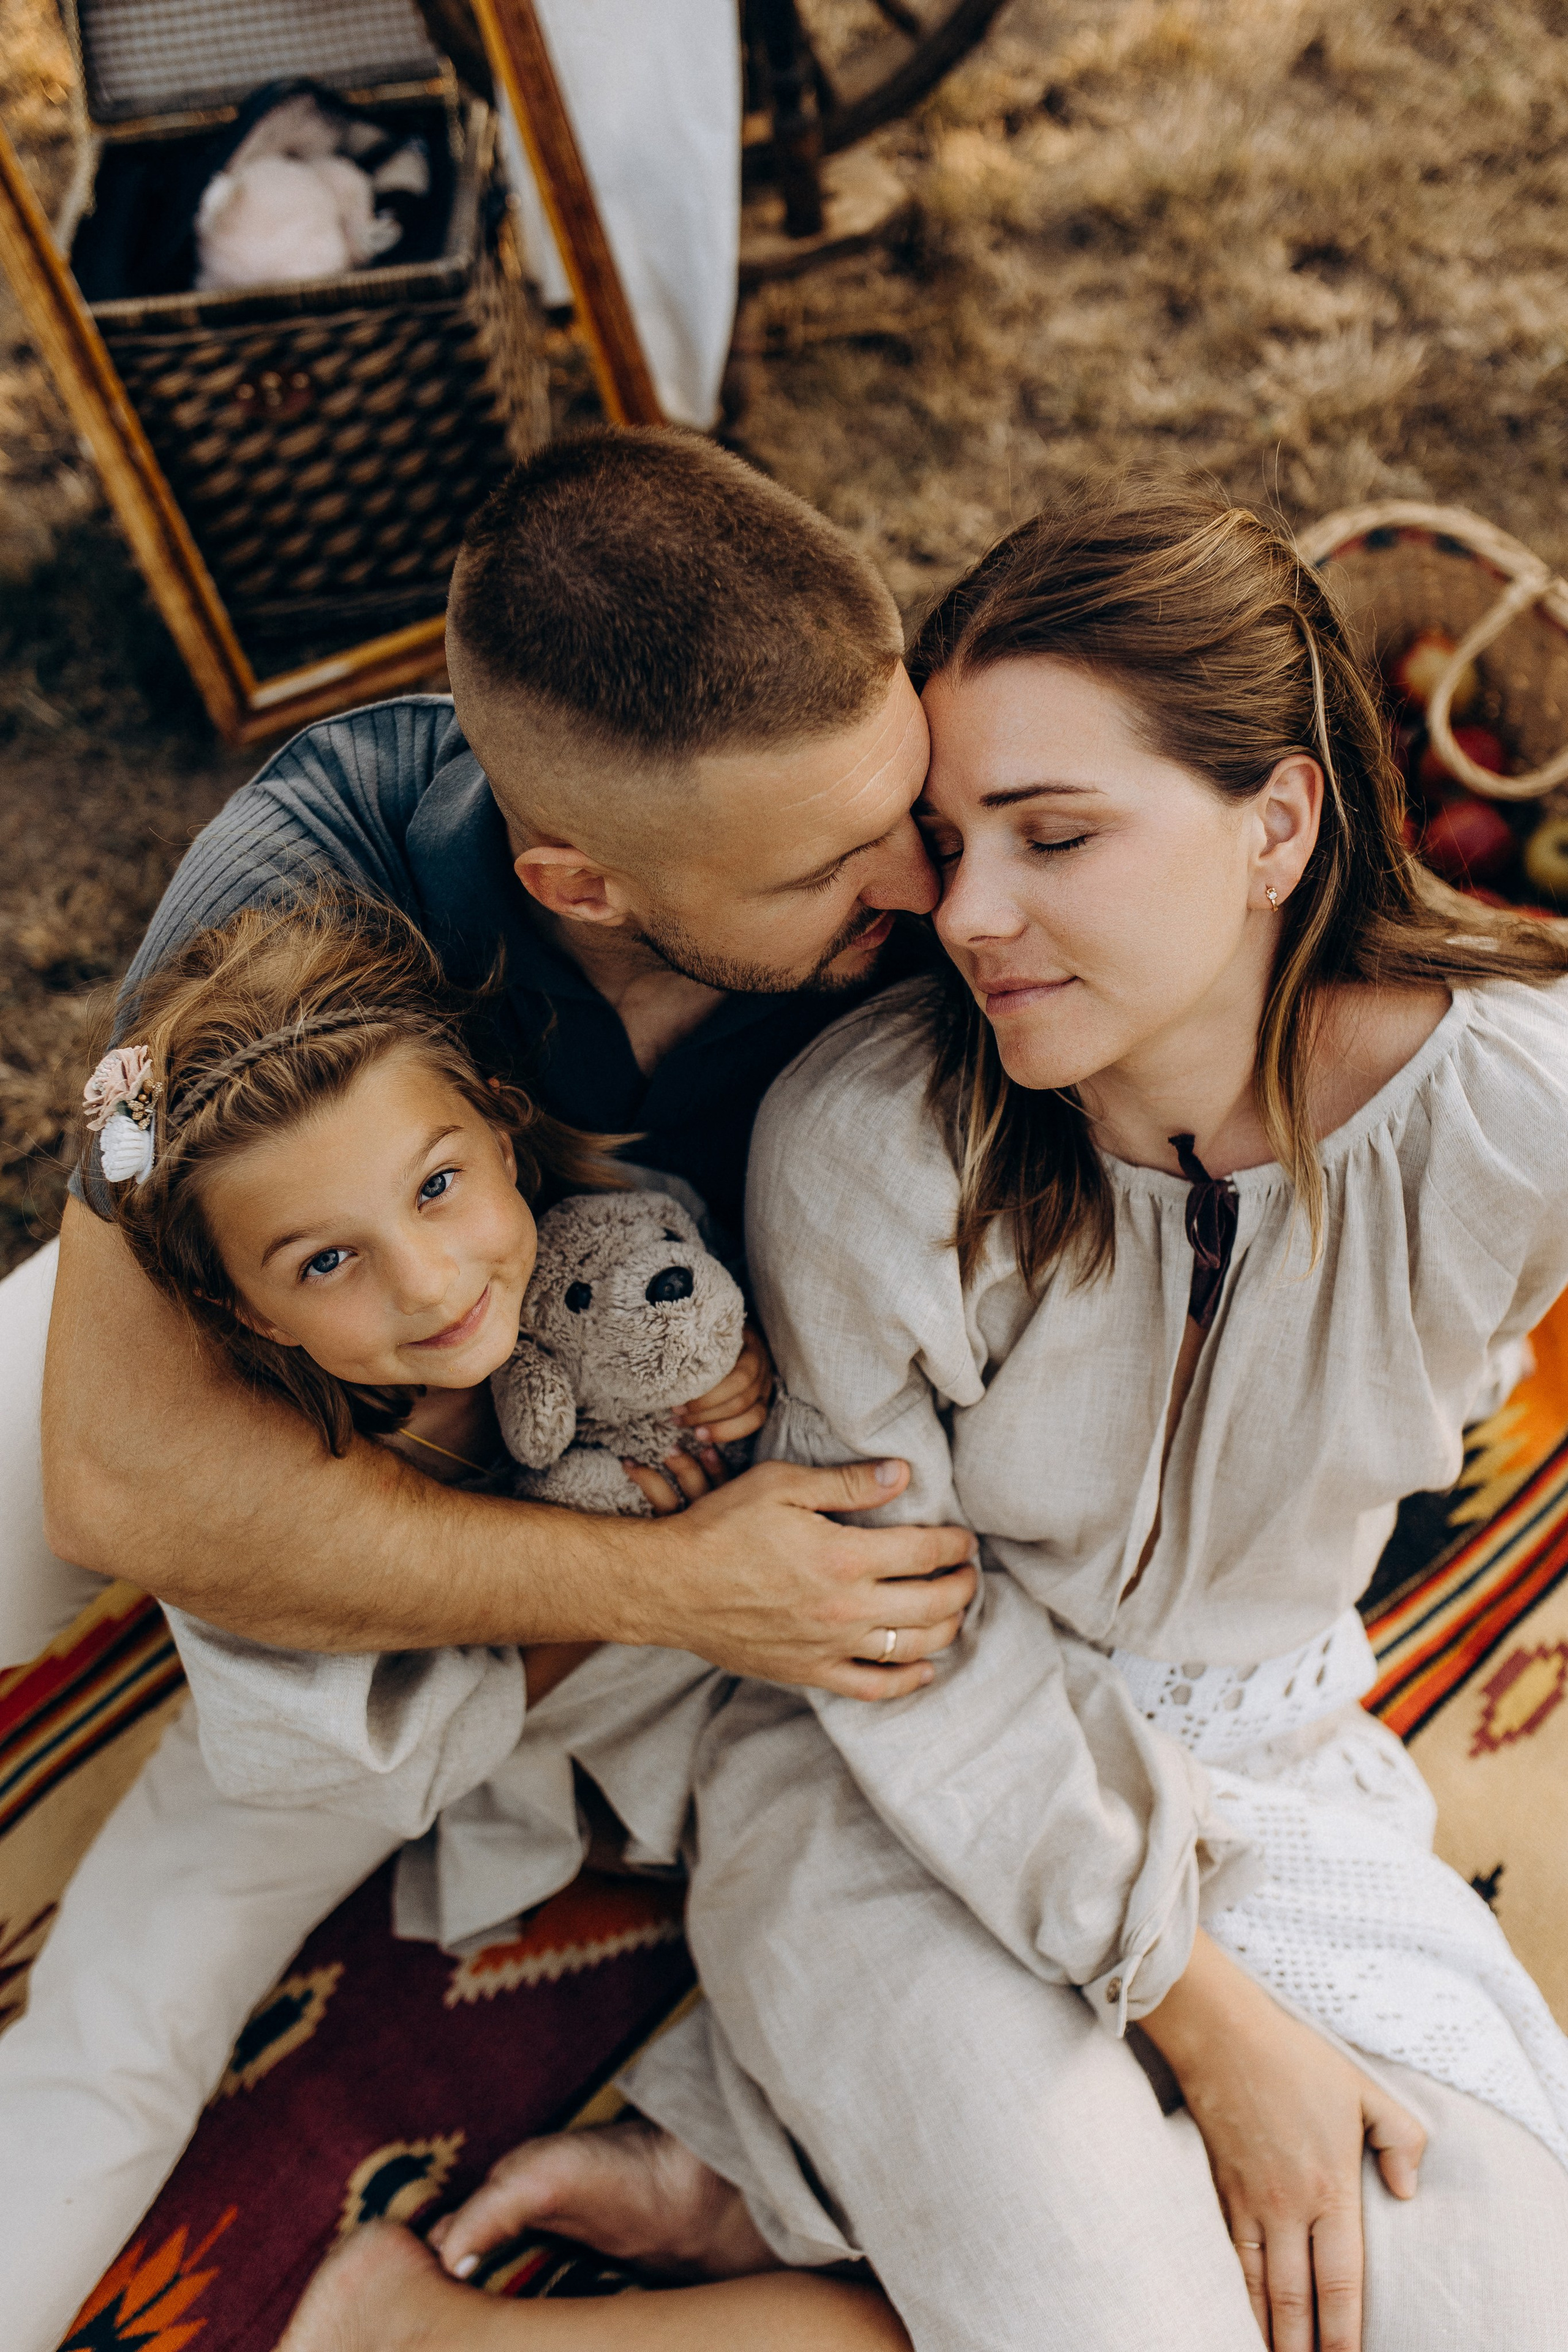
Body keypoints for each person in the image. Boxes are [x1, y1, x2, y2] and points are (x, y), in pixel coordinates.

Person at [281, 483, 1568, 2352]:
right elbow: (902, 1649)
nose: (963, 913)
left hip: (1265, 1773)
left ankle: (777, 2205)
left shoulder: (1506, 1107)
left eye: (1054, 836)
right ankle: (442, 2329)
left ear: (1279, 821)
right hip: (886, 1787)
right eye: (951, 840)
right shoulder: (873, 1144)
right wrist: (1213, 2029)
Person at [3, 430, 976, 2352]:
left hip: (572, 1475)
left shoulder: (948, 897)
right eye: (830, 869)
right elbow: (121, 1480)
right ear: (576, 879)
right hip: (279, 1330)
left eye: (906, 801)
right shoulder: (311, 882)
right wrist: (678, 1588)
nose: (932, 886)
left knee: (144, 1993)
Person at [80, 888, 908, 2352]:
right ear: (258, 1318)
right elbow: (354, 1759)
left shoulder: (611, 1230)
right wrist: (658, 1554)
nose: (432, 1280)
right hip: (343, 1732)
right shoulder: (269, 1498)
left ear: (501, 1132)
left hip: (657, 1718)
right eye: (326, 1261)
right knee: (119, 2038)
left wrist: (728, 1393)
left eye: (439, 1186)